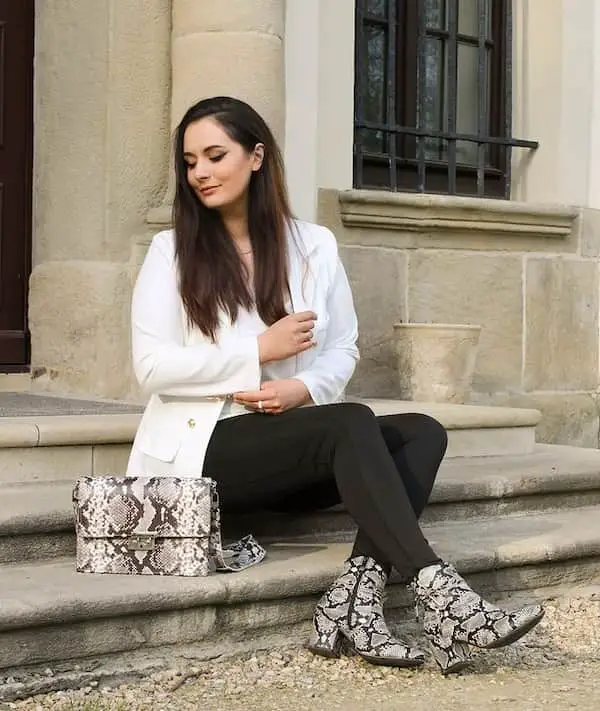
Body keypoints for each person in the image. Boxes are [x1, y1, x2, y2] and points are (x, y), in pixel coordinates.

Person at [128, 96, 544, 675]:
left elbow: (343, 346)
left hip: (291, 439)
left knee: (421, 432)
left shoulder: (313, 245)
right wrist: (257, 352)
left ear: (256, 156)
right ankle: (442, 595)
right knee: (351, 423)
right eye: (190, 161)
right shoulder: (171, 251)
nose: (200, 172)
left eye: (215, 155)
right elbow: (150, 367)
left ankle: (354, 602)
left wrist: (304, 390)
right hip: (205, 453)